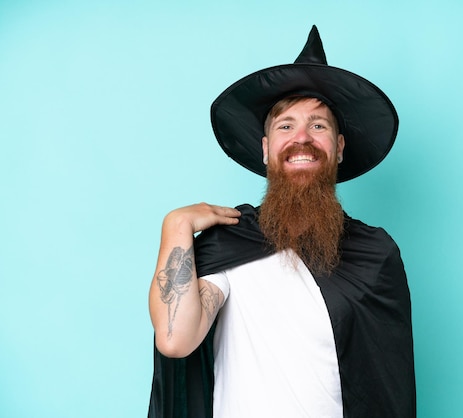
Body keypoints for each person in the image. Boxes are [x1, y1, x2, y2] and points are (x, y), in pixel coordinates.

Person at [148, 26, 416, 418]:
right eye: (285, 126)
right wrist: (175, 225)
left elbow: (385, 389)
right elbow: (175, 340)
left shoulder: (375, 254)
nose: (301, 138)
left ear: (339, 148)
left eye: (319, 126)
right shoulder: (231, 241)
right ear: (266, 148)